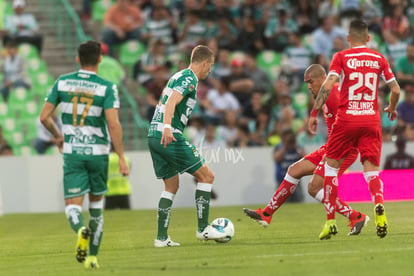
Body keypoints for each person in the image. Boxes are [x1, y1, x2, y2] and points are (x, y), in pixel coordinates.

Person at [244, 64, 368, 236]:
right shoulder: (326, 94)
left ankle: (355, 216)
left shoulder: (333, 95)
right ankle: (266, 214)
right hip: (332, 145)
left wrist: (332, 152)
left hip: (343, 148)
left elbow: (349, 125)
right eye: (306, 83)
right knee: (294, 170)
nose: (308, 86)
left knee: (314, 188)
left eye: (311, 82)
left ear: (322, 79)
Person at [39, 41, 129, 268]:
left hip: (73, 153)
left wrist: (59, 135)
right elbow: (113, 124)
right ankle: (92, 258)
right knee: (97, 206)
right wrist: (120, 157)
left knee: (73, 205)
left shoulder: (63, 82)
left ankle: (80, 229)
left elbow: (44, 117)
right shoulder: (107, 87)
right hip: (99, 154)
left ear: (78, 59)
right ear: (100, 60)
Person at [308, 19, 400, 240]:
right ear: (368, 38)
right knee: (371, 171)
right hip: (371, 119)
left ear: (349, 38)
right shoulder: (379, 58)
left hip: (346, 119)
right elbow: (395, 89)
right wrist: (392, 107)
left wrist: (314, 113)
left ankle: (330, 221)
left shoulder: (341, 57)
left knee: (330, 169)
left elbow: (328, 85)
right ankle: (378, 205)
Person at [147, 45, 228, 247]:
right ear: (204, 63)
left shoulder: (178, 76)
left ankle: (161, 238)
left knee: (171, 186)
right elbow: (170, 103)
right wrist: (167, 127)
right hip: (168, 135)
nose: (210, 71)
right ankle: (203, 230)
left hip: (154, 135)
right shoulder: (189, 77)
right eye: (210, 66)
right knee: (207, 176)